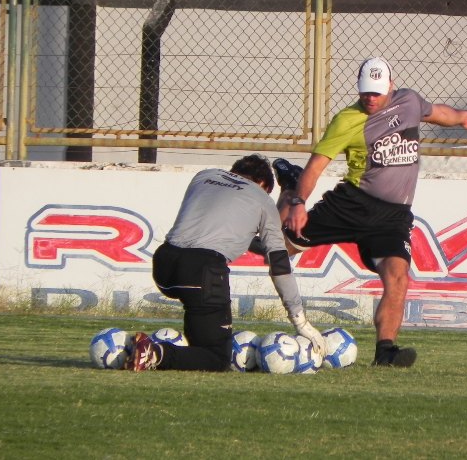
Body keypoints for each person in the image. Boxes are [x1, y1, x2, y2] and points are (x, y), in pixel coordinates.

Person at [274, 57, 467, 367]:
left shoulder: (409, 101)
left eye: (377, 93)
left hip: (393, 217)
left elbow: (438, 112)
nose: (370, 98)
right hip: (353, 204)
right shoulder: (347, 120)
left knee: (399, 277)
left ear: (391, 87)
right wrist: (298, 201)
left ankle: (385, 353)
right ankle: (287, 186)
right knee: (278, 248)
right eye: (365, 92)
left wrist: (461, 116)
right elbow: (316, 166)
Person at [127, 154, 326, 372]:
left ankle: (139, 352)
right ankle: (154, 353)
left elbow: (235, 231)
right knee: (216, 357)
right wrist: (299, 320)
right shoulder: (262, 199)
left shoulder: (203, 177)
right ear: (263, 185)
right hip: (201, 272)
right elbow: (278, 263)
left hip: (165, 264)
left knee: (200, 343)